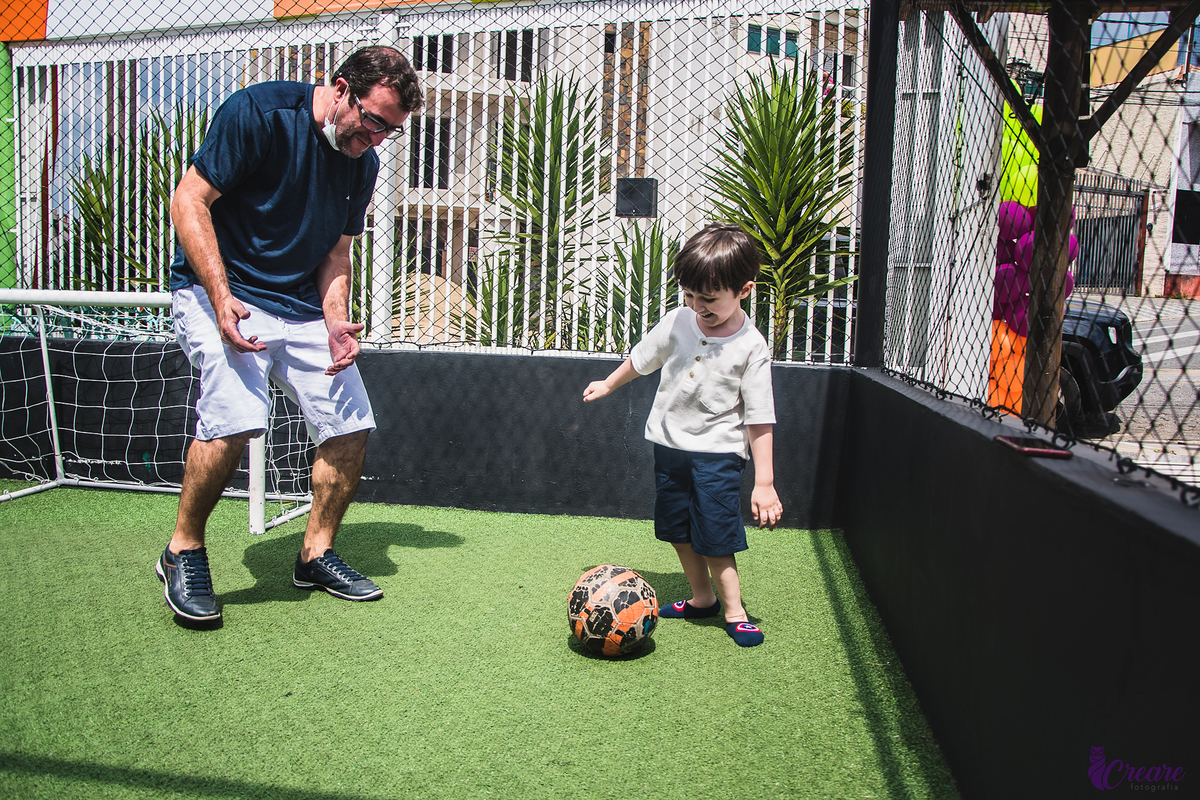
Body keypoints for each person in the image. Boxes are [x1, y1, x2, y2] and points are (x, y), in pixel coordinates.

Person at [157, 46, 423, 624]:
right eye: (373, 121)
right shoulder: (259, 113)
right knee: (236, 413)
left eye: (390, 131)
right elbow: (189, 200)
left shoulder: (362, 163)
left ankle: (316, 553)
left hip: (299, 303)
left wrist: (335, 321)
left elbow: (336, 251)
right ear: (342, 88)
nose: (376, 139)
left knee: (351, 425)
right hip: (219, 288)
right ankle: (183, 549)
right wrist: (222, 300)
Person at [583, 223, 783, 647]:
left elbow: (760, 417)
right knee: (677, 529)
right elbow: (643, 358)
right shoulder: (679, 321)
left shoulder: (751, 346)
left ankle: (735, 611)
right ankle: (701, 598)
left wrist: (763, 483)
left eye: (708, 299)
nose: (697, 306)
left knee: (714, 535)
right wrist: (609, 383)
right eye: (689, 295)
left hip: (718, 454)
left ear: (744, 290)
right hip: (670, 446)